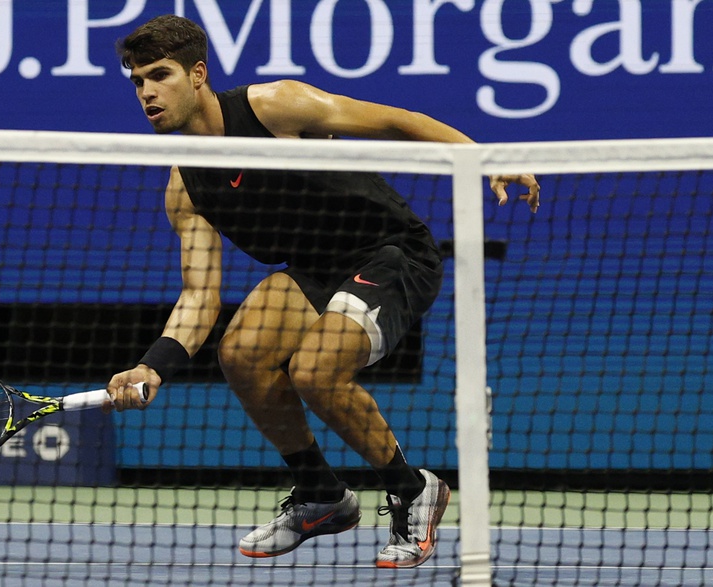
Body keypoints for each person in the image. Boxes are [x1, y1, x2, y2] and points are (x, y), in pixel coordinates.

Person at [105, 14, 540, 568]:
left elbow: (396, 122)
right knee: (240, 353)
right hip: (312, 269)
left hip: (390, 252)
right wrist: (152, 366)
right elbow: (199, 299)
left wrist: (485, 160)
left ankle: (412, 489)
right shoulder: (185, 184)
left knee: (314, 369)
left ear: (197, 75)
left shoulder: (275, 106)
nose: (146, 92)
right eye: (137, 80)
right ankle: (321, 496)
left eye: (158, 75)